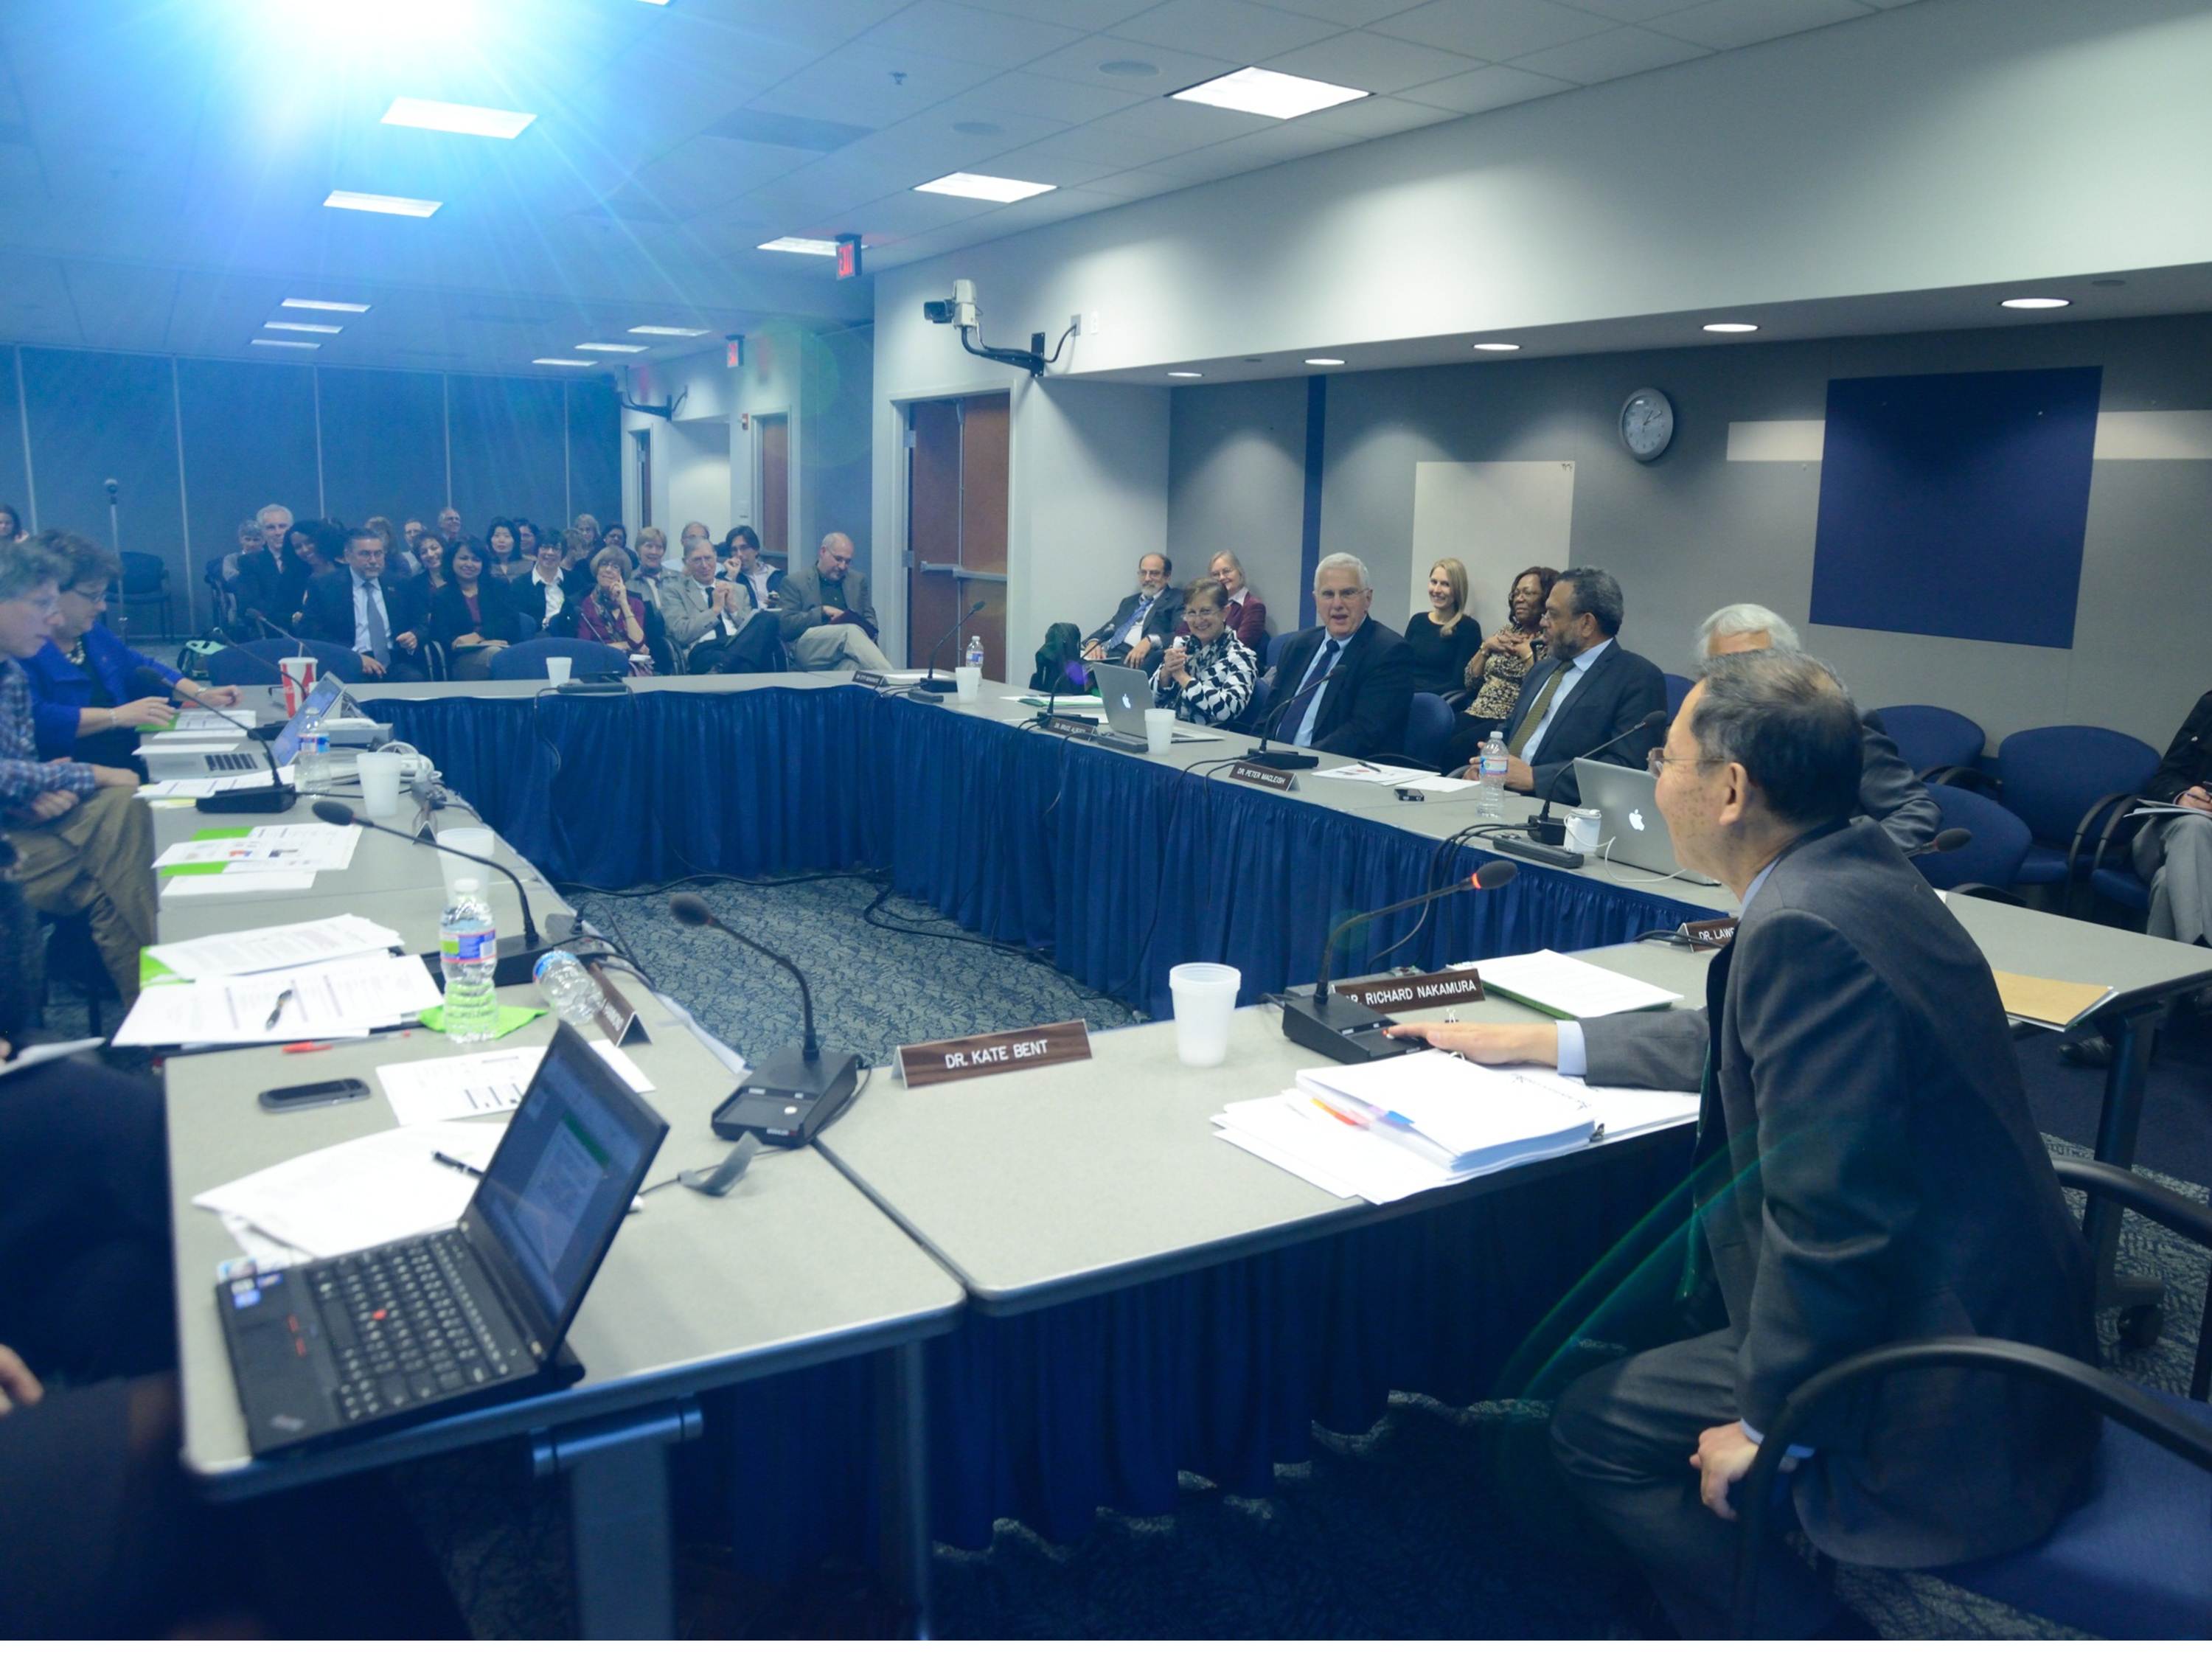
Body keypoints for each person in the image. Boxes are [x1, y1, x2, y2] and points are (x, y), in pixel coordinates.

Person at [1390, 651, 2097, 1639]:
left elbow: (1832, 1219)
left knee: (1592, 1426)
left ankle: (1793, 1627)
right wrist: (1538, 1041)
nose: (1653, 767)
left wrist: (1766, 1424)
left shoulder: (1802, 929)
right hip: (1999, 1302)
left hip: (1941, 1371)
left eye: (1667, 753)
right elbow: (1757, 1044)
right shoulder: (1851, 871)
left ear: (1729, 789)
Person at [0, 541, 155, 1001]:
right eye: (41, 604)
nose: (52, 618)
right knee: (117, 830)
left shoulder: (9, 671)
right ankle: (183, 998)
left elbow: (18, 767)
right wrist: (91, 774)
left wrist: (28, 787)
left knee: (118, 834)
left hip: (20, 829)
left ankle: (160, 1027)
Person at [1695, 603, 1940, 851]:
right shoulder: (1700, 731)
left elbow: (1914, 810)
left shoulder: (1837, 726)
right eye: (1722, 667)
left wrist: (1853, 858)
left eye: (1752, 664)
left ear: (1789, 666)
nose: (1737, 678)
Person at [17, 532, 239, 770]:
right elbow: (34, 719)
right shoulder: (19, 650)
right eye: (93, 596)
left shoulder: (91, 634)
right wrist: (116, 716)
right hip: (77, 775)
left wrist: (199, 693)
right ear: (50, 591)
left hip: (133, 759)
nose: (102, 606)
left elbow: (139, 668)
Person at [1455, 567, 1666, 805]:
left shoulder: (1636, 678)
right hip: (1497, 798)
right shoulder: (1542, 669)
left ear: (1586, 624)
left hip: (1558, 814)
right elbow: (1510, 728)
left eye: (1553, 615)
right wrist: (1487, 763)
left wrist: (1536, 778)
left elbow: (1624, 768)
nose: (1543, 623)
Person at [1253, 553, 1413, 759]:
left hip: (1333, 770)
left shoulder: (1389, 652)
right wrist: (1253, 756)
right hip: (1274, 767)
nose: (1337, 604)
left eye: (1348, 593)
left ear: (1368, 598)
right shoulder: (1297, 646)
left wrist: (1297, 760)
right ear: (1316, 600)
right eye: (1328, 594)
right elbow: (1268, 715)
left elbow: (1363, 733)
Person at [302, 529, 425, 681]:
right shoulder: (324, 586)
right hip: (346, 659)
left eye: (378, 554)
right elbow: (311, 631)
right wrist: (353, 657)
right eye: (365, 554)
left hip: (394, 660)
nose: (373, 560)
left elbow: (422, 623)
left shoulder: (401, 584)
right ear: (348, 556)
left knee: (414, 679)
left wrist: (414, 635)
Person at [778, 532, 893, 673]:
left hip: (844, 651)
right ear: (823, 552)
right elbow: (786, 625)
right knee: (849, 631)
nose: (843, 566)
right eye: (838, 559)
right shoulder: (795, 582)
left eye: (848, 561)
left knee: (855, 668)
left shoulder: (857, 581)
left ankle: (888, 693)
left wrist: (868, 629)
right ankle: (894, 679)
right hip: (809, 649)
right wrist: (822, 612)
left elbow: (870, 618)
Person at [1152, 577, 1257, 728]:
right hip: (1166, 729)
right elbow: (1149, 699)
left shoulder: (1241, 657)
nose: (1198, 620)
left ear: (1225, 612)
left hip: (1210, 740)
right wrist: (1165, 673)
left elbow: (1228, 710)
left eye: (1205, 611)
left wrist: (1183, 678)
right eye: (1191, 613)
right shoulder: (1180, 645)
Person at [428, 538, 519, 679]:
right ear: (451, 561)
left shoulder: (498, 587)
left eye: (476, 560)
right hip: (463, 658)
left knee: (498, 653)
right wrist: (483, 643)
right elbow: (442, 636)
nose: (469, 564)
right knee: (494, 654)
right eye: (463, 558)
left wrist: (479, 636)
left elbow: (511, 623)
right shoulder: (442, 596)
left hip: (503, 648)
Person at [1080, 553, 1180, 669]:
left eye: (1154, 573)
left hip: (1131, 659)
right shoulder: (1129, 602)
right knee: (1065, 644)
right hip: (1107, 655)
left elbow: (1183, 635)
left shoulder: (1176, 599)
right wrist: (1093, 642)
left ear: (1167, 576)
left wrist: (1150, 640)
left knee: (1077, 674)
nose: (1147, 579)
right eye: (1143, 573)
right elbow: (1109, 628)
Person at [1405, 557, 1481, 700]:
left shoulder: (1468, 628)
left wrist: (1415, 695)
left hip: (1434, 701)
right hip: (1405, 693)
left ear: (1458, 589)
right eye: (1434, 582)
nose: (1437, 590)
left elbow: (1458, 683)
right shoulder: (1418, 621)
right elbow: (1402, 664)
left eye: (1446, 584)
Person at [571, 549, 653, 673]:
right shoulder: (584, 604)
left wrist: (624, 604)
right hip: (599, 665)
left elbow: (637, 642)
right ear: (597, 569)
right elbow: (585, 649)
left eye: (615, 567)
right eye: (604, 564)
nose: (608, 570)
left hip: (633, 666)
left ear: (622, 575)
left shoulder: (635, 603)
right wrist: (624, 646)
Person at [234, 506, 312, 635]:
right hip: (268, 632)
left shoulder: (305, 560)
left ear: (291, 529)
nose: (278, 532)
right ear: (262, 532)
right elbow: (249, 605)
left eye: (282, 526)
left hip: (307, 630)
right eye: (271, 527)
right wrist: (290, 619)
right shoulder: (249, 562)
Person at [512, 532, 571, 641]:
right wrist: (546, 623)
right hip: (535, 641)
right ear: (536, 550)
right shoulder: (519, 585)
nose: (550, 553)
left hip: (570, 638)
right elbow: (520, 622)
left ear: (563, 554)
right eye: (545, 547)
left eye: (556, 549)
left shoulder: (576, 580)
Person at [1208, 551, 1267, 649]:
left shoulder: (1254, 606)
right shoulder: (1207, 604)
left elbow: (1240, 646)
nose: (1221, 578)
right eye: (1216, 574)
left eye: (1226, 571)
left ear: (1239, 572)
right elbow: (1183, 634)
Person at [723, 525, 782, 611]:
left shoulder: (777, 575)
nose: (739, 554)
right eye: (734, 550)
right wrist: (731, 577)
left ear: (756, 549)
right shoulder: (723, 578)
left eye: (744, 548)